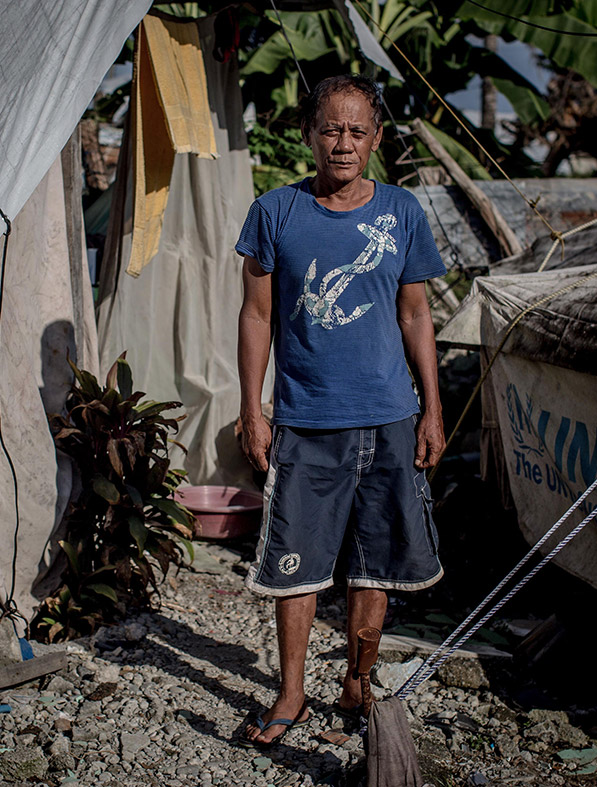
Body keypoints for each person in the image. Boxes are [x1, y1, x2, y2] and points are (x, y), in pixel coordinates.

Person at [236, 74, 447, 747]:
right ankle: (292, 691)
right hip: (306, 419)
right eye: (331, 128)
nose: (344, 142)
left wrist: (431, 408)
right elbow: (257, 313)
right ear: (309, 134)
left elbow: (415, 313)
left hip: (388, 415)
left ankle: (358, 680)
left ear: (377, 139)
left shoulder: (401, 213)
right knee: (296, 561)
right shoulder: (274, 212)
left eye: (358, 130)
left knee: (374, 559)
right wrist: (252, 406)